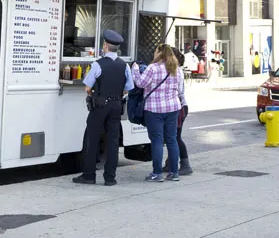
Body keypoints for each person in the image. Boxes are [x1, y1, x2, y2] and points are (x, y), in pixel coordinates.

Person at [73, 29, 134, 186]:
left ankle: (89, 175)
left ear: (106, 46)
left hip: (99, 106)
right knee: (113, 141)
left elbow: (87, 87)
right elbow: (128, 88)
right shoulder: (124, 66)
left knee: (92, 138)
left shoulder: (97, 65)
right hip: (116, 105)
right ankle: (110, 177)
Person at [131, 43, 184, 182]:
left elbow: (141, 83)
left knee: (157, 141)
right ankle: (174, 172)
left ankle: (157, 173)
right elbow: (179, 89)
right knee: (172, 140)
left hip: (154, 109)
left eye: (156, 51)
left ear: (159, 53)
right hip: (173, 108)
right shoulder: (176, 70)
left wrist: (135, 70)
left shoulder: (152, 68)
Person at [163, 48, 193, 176]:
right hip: (179, 106)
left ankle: (185, 165)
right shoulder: (175, 70)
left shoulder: (177, 71)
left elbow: (178, 91)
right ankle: (170, 162)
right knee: (171, 136)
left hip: (179, 107)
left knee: (175, 137)